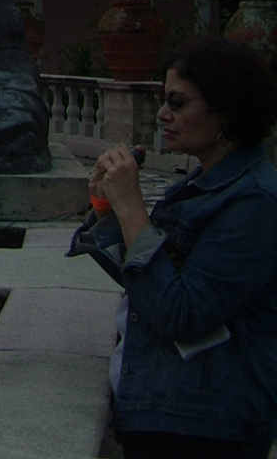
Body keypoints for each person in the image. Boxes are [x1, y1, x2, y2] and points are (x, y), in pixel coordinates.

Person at [88, 38, 277, 458]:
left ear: (226, 111)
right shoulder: (198, 186)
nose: (162, 114)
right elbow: (146, 286)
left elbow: (183, 313)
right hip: (167, 414)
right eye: (164, 100)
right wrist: (108, 209)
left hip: (205, 427)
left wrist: (132, 207)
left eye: (177, 102)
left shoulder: (255, 202)